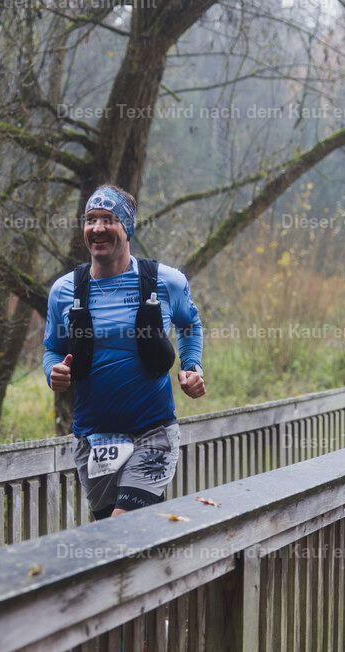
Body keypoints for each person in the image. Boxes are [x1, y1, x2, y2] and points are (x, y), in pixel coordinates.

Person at [44, 184, 205, 519]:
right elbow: (52, 350)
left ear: (127, 227)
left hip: (153, 432)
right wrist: (53, 372)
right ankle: (165, 570)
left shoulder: (165, 281)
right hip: (93, 439)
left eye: (109, 219)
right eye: (90, 220)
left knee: (123, 524)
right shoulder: (65, 290)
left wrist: (193, 366)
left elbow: (190, 324)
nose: (97, 228)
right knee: (120, 537)